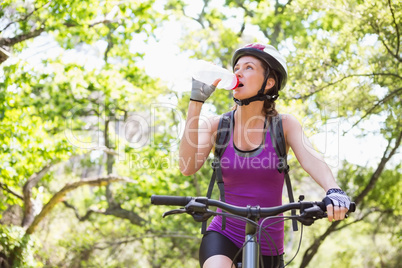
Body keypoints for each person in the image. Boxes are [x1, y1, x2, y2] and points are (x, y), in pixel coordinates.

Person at [179, 43, 351, 268]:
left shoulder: (284, 125)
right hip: (224, 235)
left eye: (248, 67)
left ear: (269, 82)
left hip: (270, 243)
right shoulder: (217, 126)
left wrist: (333, 189)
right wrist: (196, 102)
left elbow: (312, 159)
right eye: (237, 67)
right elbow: (187, 167)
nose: (238, 72)